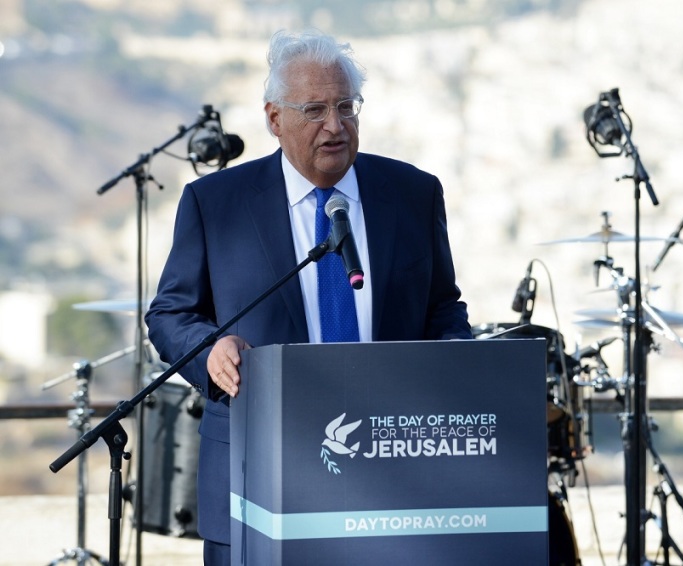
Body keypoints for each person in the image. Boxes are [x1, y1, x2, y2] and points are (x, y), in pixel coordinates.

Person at [144, 30, 471, 564]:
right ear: (275, 119)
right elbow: (171, 313)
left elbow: (442, 307)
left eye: (346, 106)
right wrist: (209, 350)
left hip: (392, 474)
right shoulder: (216, 203)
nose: (336, 126)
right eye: (314, 110)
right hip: (258, 476)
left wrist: (459, 361)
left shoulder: (413, 194)